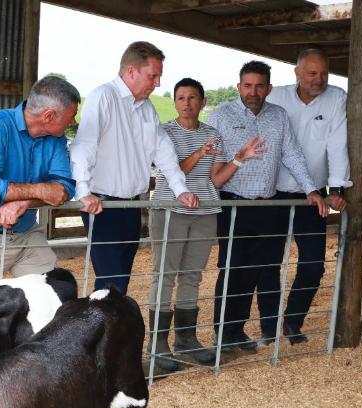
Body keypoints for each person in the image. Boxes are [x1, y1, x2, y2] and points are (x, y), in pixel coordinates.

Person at [207, 60, 328, 352]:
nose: (253, 91)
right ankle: (225, 333)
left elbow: (293, 155)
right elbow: (212, 167)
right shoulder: (220, 116)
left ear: (268, 88)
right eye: (247, 85)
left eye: (259, 86)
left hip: (268, 205)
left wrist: (311, 189)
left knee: (264, 270)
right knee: (232, 269)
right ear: (239, 87)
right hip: (233, 205)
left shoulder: (279, 116)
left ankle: (250, 332)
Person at [148, 78, 265, 373]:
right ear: (174, 102)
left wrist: (238, 160)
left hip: (205, 210)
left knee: (192, 276)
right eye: (181, 98)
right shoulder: (164, 132)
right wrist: (200, 153)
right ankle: (158, 343)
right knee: (165, 275)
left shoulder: (212, 133)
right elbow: (172, 171)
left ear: (202, 102)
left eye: (193, 98)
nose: (187, 103)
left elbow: (213, 180)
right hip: (170, 210)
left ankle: (186, 338)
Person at [70, 41, 197, 295]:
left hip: (131, 206)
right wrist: (83, 191)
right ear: (131, 71)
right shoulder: (103, 96)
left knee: (121, 281)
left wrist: (180, 189)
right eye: (153, 75)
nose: (157, 83)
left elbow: (163, 152)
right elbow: (84, 145)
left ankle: (110, 331)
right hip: (102, 206)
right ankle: (104, 331)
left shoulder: (147, 109)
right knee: (110, 283)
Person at [257, 48, 351, 345]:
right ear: (297, 73)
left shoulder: (336, 98)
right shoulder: (276, 97)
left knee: (313, 265)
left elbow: (338, 144)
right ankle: (269, 328)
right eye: (312, 73)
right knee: (268, 263)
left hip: (315, 198)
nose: (319, 79)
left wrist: (336, 189)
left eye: (324, 73)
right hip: (274, 193)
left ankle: (292, 322)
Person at [0, 75, 79, 283]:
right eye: (71, 115)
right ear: (49, 115)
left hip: (28, 233)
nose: (74, 122)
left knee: (53, 292)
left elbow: (63, 189)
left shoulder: (56, 138)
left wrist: (23, 203)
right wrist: (41, 191)